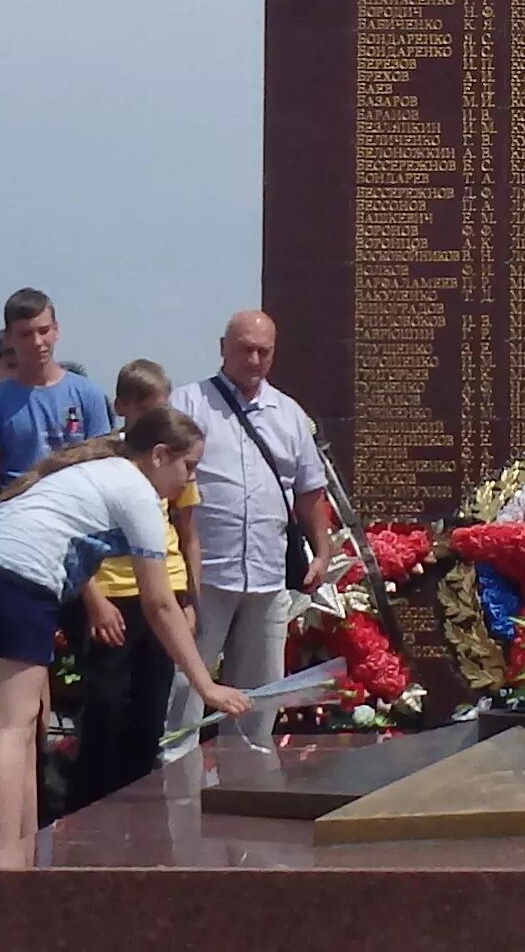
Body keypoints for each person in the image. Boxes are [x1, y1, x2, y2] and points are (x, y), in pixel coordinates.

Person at [0, 405, 250, 869]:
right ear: (160, 455)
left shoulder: (101, 472)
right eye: (189, 467)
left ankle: (21, 864)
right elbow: (160, 604)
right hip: (13, 577)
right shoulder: (137, 492)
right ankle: (2, 871)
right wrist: (206, 685)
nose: (190, 482)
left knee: (17, 726)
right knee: (9, 728)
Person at [170, 310, 336, 746]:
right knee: (185, 691)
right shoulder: (187, 405)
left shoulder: (289, 414)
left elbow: (309, 492)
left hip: (266, 577)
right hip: (204, 576)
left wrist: (321, 551)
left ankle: (246, 788)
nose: (255, 359)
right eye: (246, 348)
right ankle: (171, 788)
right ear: (223, 348)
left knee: (259, 698)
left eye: (264, 351)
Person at [71, 360, 202, 809]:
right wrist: (93, 601)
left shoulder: (175, 461)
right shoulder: (100, 458)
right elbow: (75, 537)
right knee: (105, 709)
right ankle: (89, 810)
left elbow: (186, 533)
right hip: (110, 592)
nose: (152, 418)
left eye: (159, 408)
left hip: (163, 589)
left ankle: (140, 812)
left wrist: (190, 598)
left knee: (149, 714)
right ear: (121, 406)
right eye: (144, 408)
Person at [0, 289, 111, 490]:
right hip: (18, 507)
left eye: (43, 331)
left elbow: (103, 469)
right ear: (9, 338)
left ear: (56, 330)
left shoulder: (88, 395)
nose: (37, 342)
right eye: (25, 334)